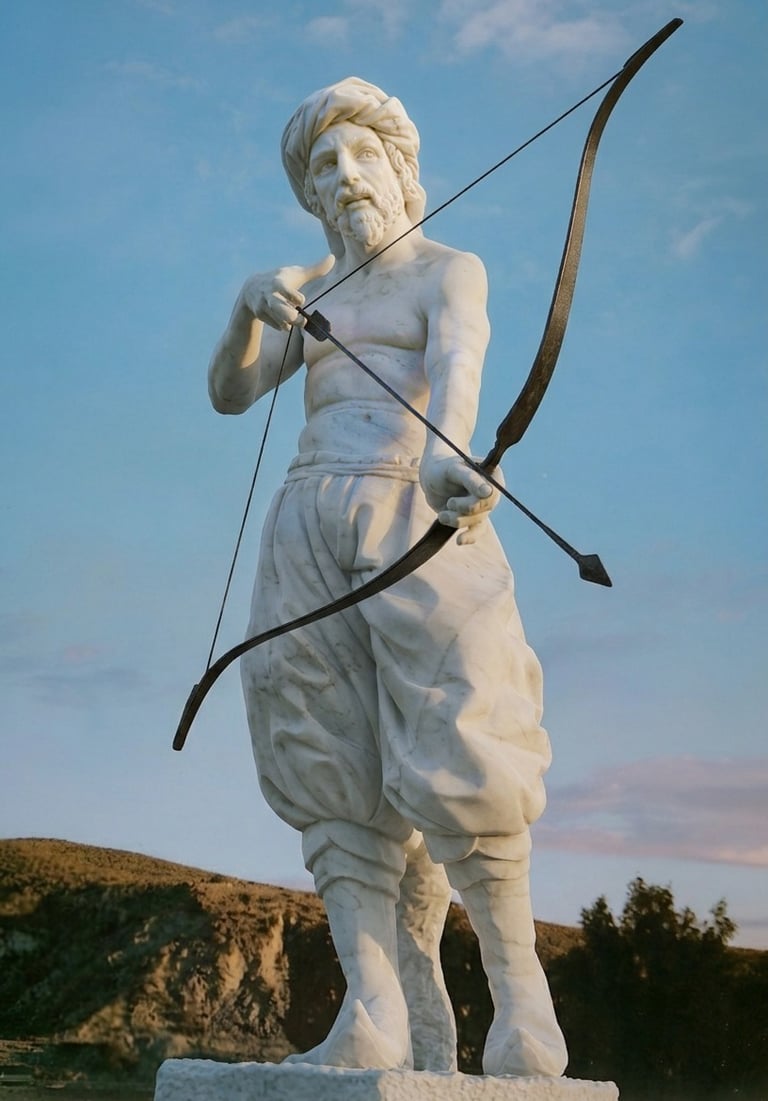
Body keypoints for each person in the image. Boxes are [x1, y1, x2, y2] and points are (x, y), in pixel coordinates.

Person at [208, 77, 567, 1078]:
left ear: (402, 170)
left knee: (465, 739)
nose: (344, 175)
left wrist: (457, 455)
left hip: (414, 503)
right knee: (323, 752)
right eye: (324, 167)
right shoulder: (310, 288)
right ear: (312, 196)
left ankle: (522, 1006)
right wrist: (247, 304)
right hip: (308, 517)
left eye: (361, 156)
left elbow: (460, 362)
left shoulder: (448, 272)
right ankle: (377, 1009)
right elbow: (233, 392)